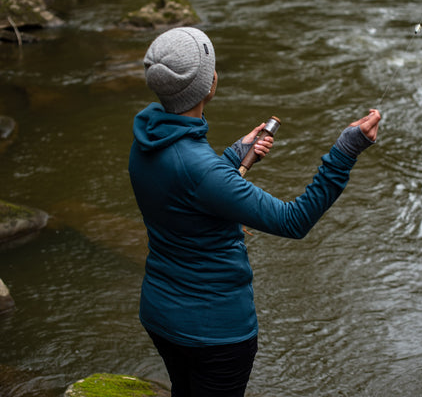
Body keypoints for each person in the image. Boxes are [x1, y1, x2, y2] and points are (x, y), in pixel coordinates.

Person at [128, 27, 381, 397]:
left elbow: (186, 190)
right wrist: (345, 151)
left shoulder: (146, 140)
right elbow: (293, 221)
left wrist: (233, 155)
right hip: (215, 332)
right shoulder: (203, 172)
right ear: (208, 85)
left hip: (160, 314)